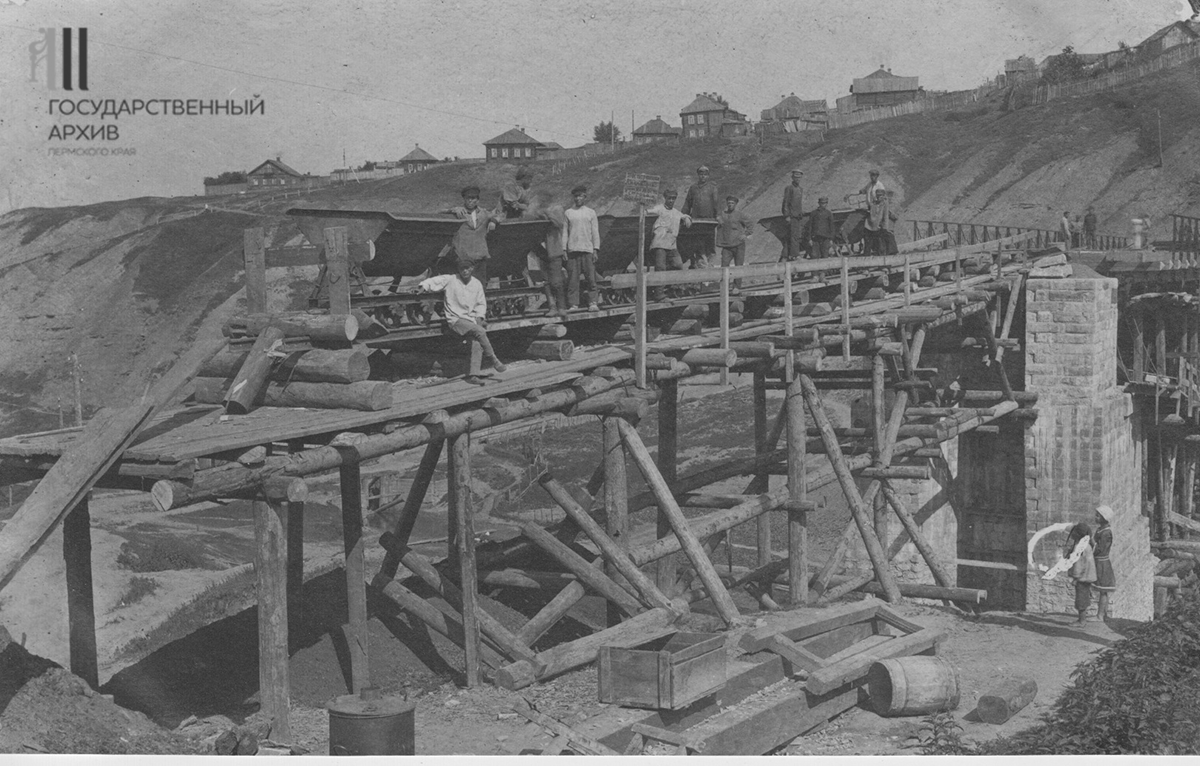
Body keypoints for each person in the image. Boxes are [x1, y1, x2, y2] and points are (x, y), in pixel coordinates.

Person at [418, 258, 506, 374]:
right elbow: (434, 281)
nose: (464, 271)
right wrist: (423, 286)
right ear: (458, 269)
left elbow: (481, 303)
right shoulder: (450, 279)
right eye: (462, 268)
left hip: (470, 320)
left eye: (467, 268)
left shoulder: (476, 284)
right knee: (480, 332)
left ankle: (474, 375)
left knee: (477, 341)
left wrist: (479, 318)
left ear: (472, 269)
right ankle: (494, 360)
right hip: (456, 320)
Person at [446, 185, 498, 285]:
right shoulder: (458, 213)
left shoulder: (484, 213)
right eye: (467, 198)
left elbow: (500, 214)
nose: (470, 200)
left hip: (480, 257)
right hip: (463, 257)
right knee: (463, 286)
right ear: (464, 199)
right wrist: (452, 209)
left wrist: (494, 221)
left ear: (477, 200)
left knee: (481, 286)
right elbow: (438, 212)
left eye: (473, 198)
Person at [648, 189, 692, 300]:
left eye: (673, 198)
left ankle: (671, 288)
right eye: (669, 198)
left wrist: (687, 218)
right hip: (659, 243)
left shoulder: (676, 212)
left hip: (671, 245)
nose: (671, 201)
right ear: (665, 198)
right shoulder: (659, 209)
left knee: (678, 265)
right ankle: (658, 294)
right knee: (660, 268)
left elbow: (683, 216)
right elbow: (647, 212)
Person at [563, 184, 601, 312]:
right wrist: (564, 249)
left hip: (587, 250)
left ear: (585, 197)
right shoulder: (568, 213)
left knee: (591, 278)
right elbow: (565, 232)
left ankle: (593, 302)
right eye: (576, 196)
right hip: (573, 250)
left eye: (580, 196)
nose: (578, 198)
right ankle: (573, 304)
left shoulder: (591, 212)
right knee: (573, 280)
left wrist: (595, 249)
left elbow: (595, 232)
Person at [682, 165, 720, 268]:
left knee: (710, 242)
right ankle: (701, 264)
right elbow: (688, 203)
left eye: (705, 174)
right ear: (698, 175)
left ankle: (710, 264)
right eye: (701, 174)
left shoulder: (712, 188)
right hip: (697, 221)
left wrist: (717, 215)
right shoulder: (693, 188)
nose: (703, 176)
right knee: (698, 242)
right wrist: (684, 215)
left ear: (708, 176)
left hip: (709, 221)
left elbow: (716, 203)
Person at [716, 194, 754, 289]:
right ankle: (724, 287)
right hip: (727, 246)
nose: (730, 205)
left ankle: (736, 287)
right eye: (729, 203)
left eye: (732, 203)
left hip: (738, 245)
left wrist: (745, 234)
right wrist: (718, 218)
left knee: (738, 267)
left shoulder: (740, 214)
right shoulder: (723, 214)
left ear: (736, 204)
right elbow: (716, 217)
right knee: (724, 266)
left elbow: (750, 224)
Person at [537, 203, 569, 316]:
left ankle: (561, 307)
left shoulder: (556, 214)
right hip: (543, 254)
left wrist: (546, 212)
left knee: (557, 282)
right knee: (546, 283)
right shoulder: (540, 216)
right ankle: (552, 307)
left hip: (555, 253)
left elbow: (559, 222)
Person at [1064, 523, 1097, 625]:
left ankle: (1082, 621)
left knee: (1081, 599)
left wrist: (1076, 578)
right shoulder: (1085, 545)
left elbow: (1079, 565)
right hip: (1086, 576)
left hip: (1082, 578)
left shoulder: (1081, 548)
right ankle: (1082, 619)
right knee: (1083, 597)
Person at [1093, 505, 1117, 621]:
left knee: (1103, 590)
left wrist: (1090, 543)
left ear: (1104, 518)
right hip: (1098, 561)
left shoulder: (1106, 533)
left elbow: (1100, 549)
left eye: (1098, 516)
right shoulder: (1100, 530)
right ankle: (1104, 614)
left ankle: (1100, 615)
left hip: (1102, 563)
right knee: (1103, 590)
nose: (1095, 517)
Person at [860, 170, 887, 256]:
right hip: (871, 207)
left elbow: (882, 197)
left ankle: (878, 252)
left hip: (877, 208)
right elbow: (865, 190)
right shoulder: (869, 184)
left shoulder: (880, 185)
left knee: (876, 234)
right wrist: (861, 191)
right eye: (871, 176)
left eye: (874, 176)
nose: (872, 177)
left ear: (877, 176)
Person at [781, 169, 805, 261]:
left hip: (798, 216)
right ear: (792, 178)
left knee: (794, 236)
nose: (797, 179)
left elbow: (798, 203)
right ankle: (795, 255)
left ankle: (786, 255)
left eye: (799, 177)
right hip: (792, 216)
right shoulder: (789, 188)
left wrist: (801, 211)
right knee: (794, 236)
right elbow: (786, 202)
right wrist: (786, 215)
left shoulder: (800, 189)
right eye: (796, 177)